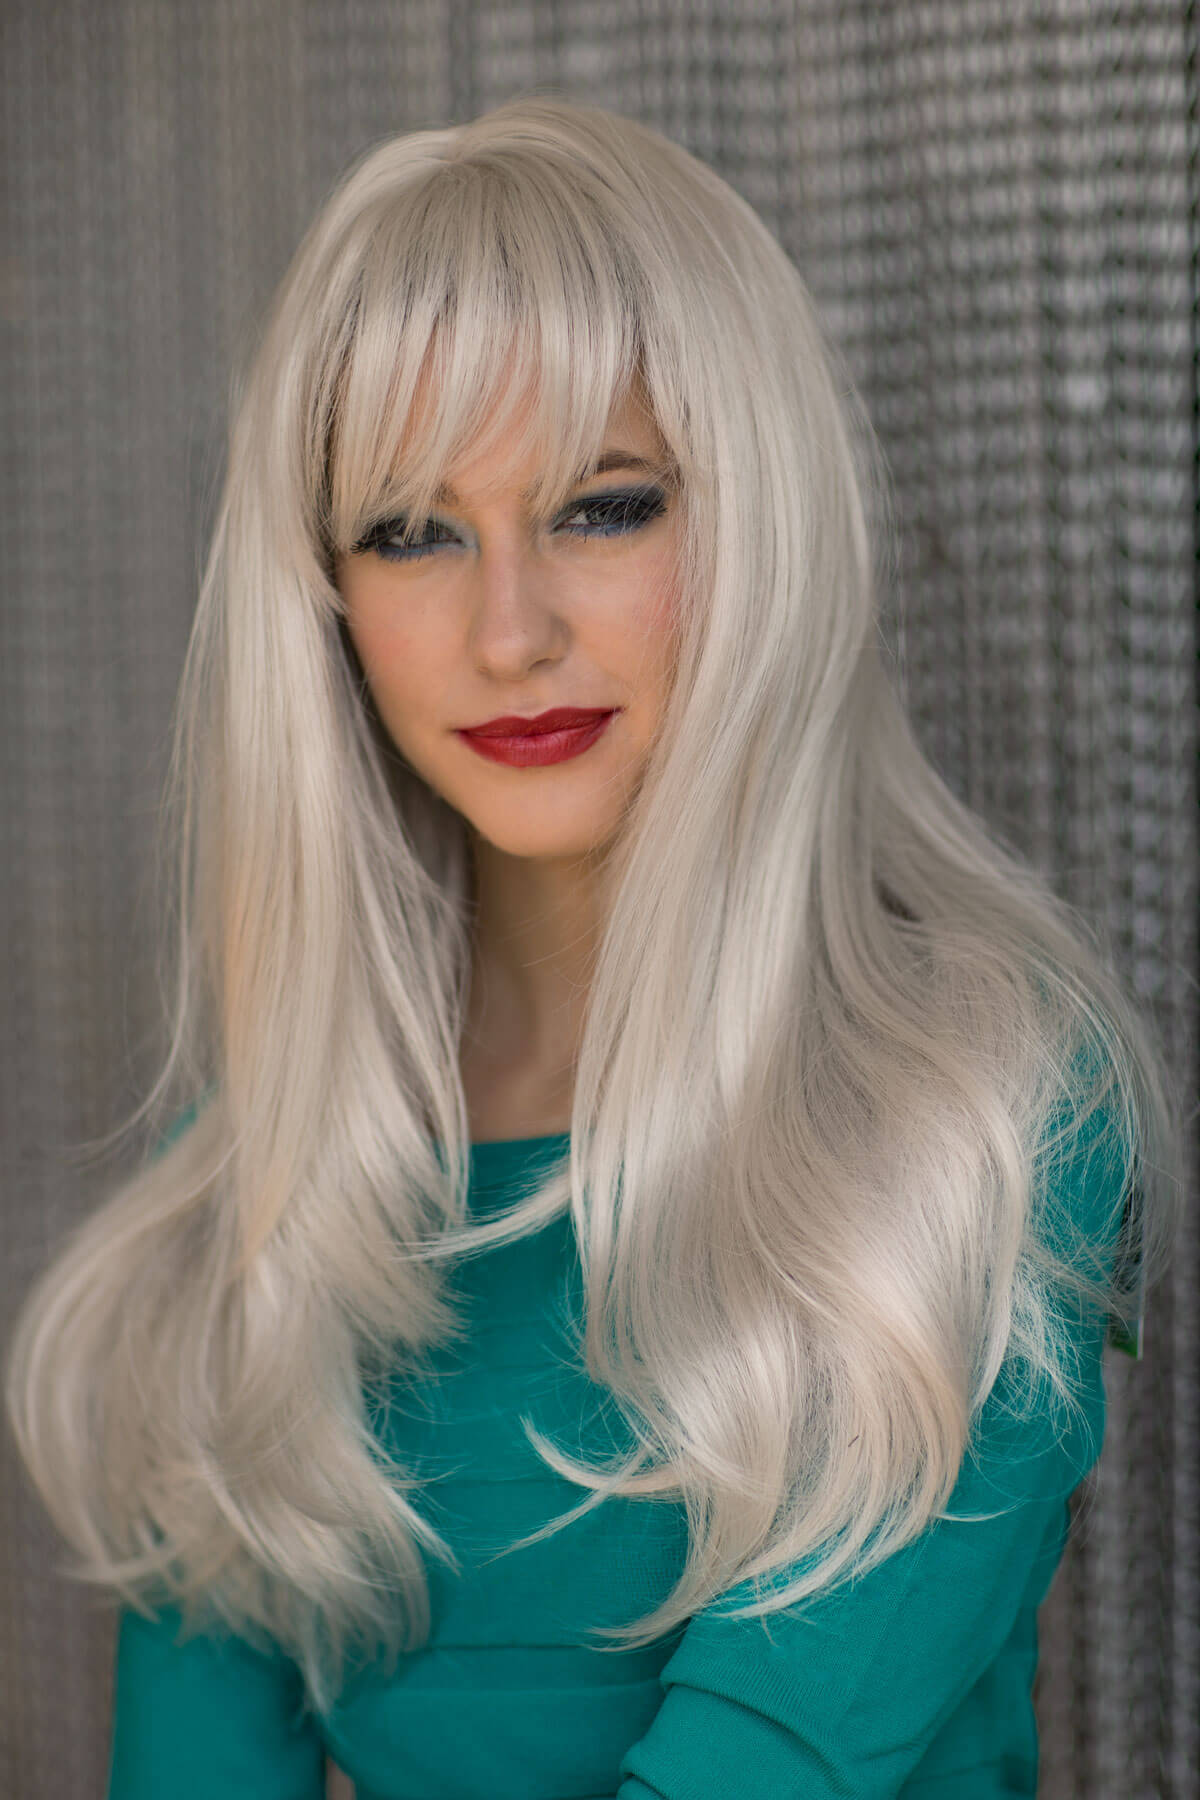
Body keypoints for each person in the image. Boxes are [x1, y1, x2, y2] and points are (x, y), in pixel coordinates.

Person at [3, 94, 1184, 1800]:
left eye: (605, 506)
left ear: (755, 518)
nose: (510, 629)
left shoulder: (983, 1119)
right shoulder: (272, 1190)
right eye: (413, 531)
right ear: (322, 605)